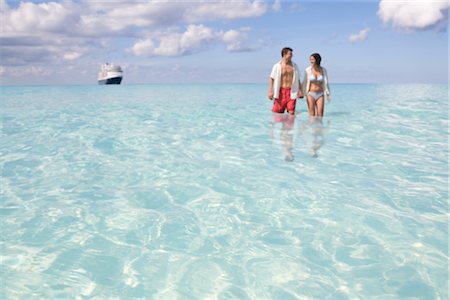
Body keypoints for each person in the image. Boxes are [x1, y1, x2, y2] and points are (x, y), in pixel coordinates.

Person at [268, 47, 303, 115]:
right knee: (277, 114)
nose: (292, 55)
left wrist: (300, 91)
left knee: (291, 112)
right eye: (290, 54)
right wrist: (270, 91)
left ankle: (289, 125)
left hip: (292, 91)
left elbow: (298, 79)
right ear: (284, 54)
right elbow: (271, 78)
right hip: (280, 92)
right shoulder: (277, 66)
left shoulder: (294, 66)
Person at [302, 53, 330, 117]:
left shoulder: (323, 70)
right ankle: (312, 127)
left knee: (320, 114)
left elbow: (326, 82)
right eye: (310, 59)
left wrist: (327, 94)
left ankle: (319, 127)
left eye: (312, 59)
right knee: (312, 114)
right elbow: (304, 82)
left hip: (320, 94)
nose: (311, 61)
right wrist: (302, 92)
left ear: (317, 60)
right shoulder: (308, 70)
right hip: (310, 93)